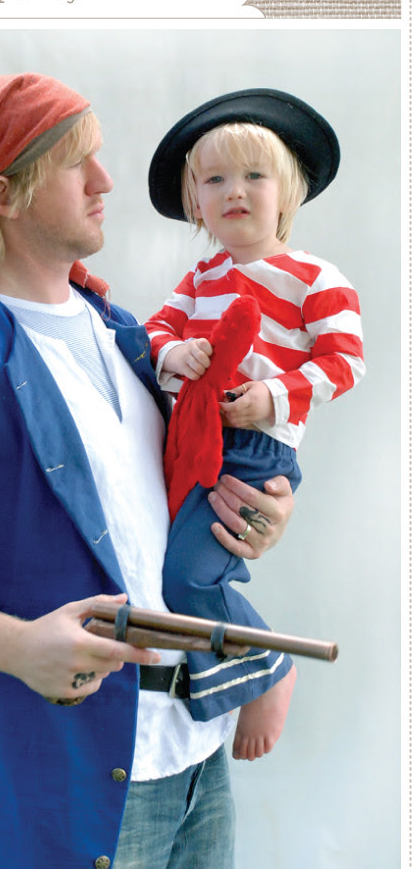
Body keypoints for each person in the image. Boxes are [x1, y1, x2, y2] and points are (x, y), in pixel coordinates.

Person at [0, 74, 296, 869]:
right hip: (68, 779)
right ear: (4, 195)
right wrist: (18, 646)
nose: (105, 181)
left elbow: (165, 510)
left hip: (196, 750)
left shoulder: (125, 335)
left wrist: (258, 515)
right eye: (77, 162)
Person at [145, 89, 365, 762]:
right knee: (164, 571)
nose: (233, 191)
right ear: (195, 201)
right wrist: (176, 355)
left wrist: (271, 395)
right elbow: (154, 333)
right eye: (214, 179)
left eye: (253, 176)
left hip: (254, 449)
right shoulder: (199, 278)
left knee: (188, 576)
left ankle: (268, 667)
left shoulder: (314, 277)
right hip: (190, 440)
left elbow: (346, 362)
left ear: (287, 191)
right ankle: (227, 675)